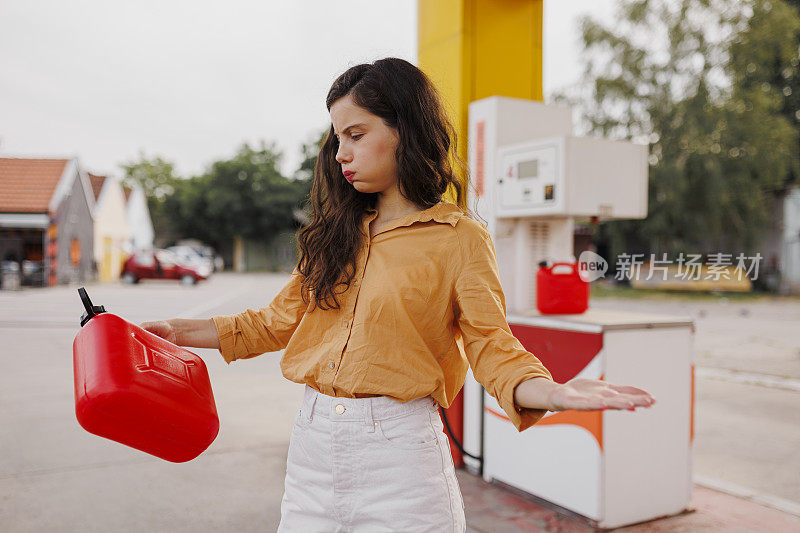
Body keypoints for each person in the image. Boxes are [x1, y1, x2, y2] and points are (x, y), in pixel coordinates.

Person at [141, 57, 656, 532]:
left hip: (401, 463)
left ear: (404, 130)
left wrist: (549, 391)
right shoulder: (332, 234)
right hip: (311, 455)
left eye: (357, 134)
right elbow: (270, 324)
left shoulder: (458, 238)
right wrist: (171, 332)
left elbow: (491, 344)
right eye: (337, 138)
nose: (341, 153)